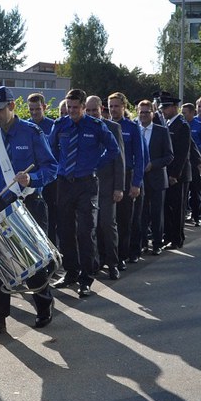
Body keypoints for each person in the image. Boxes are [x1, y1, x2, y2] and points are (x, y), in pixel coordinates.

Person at [0, 86, 58, 338]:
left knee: (30, 260)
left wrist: (31, 178)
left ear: (11, 107)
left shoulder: (31, 133)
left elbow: (51, 168)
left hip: (27, 203)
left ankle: (43, 305)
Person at [48, 89, 121, 297]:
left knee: (85, 231)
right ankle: (70, 272)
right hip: (64, 182)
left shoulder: (96, 126)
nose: (71, 111)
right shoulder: (60, 125)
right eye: (68, 107)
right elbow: (50, 150)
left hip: (87, 183)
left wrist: (95, 164)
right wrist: (58, 166)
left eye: (75, 108)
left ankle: (86, 278)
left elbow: (113, 150)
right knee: (65, 230)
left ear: (83, 107)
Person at [87, 95, 126, 280]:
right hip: (87, 187)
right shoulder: (81, 127)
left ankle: (113, 264)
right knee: (90, 228)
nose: (92, 114)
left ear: (102, 109)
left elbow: (119, 160)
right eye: (88, 110)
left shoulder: (113, 128)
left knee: (108, 225)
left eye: (95, 110)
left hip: (108, 187)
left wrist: (119, 187)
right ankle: (95, 263)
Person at [107, 93, 145, 267]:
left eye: (116, 106)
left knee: (125, 219)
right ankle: (107, 255)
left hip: (127, 176)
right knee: (106, 221)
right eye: (111, 106)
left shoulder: (131, 127)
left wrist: (136, 183)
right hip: (108, 176)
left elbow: (140, 157)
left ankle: (124, 254)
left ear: (124, 107)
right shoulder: (104, 126)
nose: (113, 109)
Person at [136, 99, 173, 255]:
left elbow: (169, 156)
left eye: (147, 112)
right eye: (141, 112)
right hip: (139, 180)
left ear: (152, 113)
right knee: (141, 214)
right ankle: (143, 242)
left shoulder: (161, 131)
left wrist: (153, 164)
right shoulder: (134, 129)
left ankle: (157, 243)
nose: (144, 115)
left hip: (157, 179)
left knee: (157, 213)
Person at [25, 93, 60, 245]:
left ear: (44, 107)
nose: (34, 113)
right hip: (32, 181)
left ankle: (51, 250)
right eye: (31, 109)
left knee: (51, 218)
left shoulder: (53, 126)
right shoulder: (25, 127)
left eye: (37, 109)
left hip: (50, 179)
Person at [161, 95, 190, 250]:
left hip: (177, 175)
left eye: (165, 107)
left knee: (177, 208)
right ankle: (169, 236)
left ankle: (177, 239)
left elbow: (183, 153)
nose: (163, 110)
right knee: (168, 207)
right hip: (167, 173)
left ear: (173, 107)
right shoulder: (168, 124)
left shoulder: (182, 125)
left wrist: (174, 175)